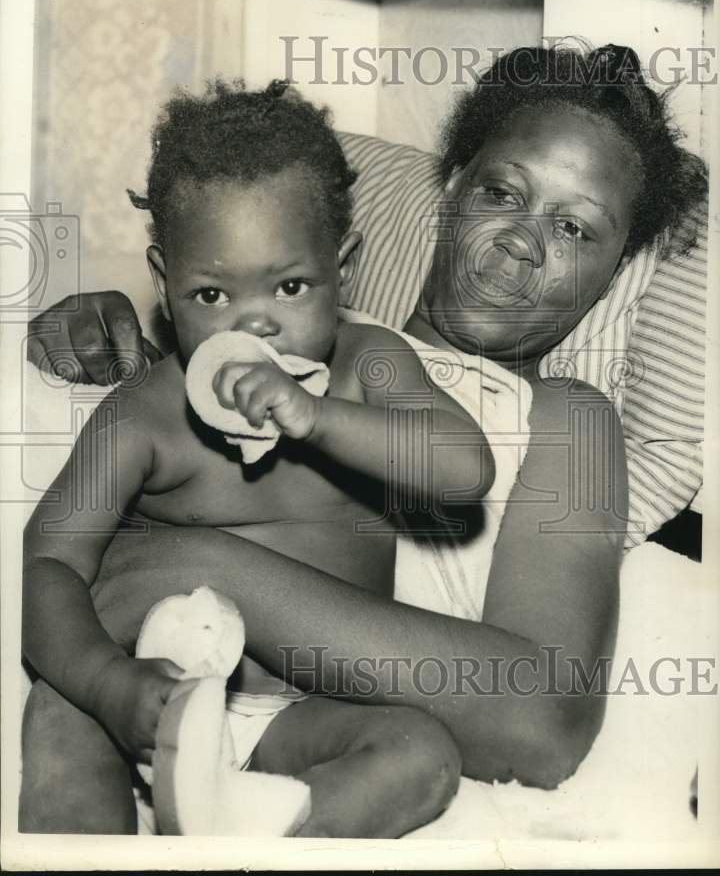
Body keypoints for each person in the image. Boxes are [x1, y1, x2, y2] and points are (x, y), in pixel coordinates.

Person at [24, 45, 706, 823]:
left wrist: (203, 563)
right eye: (500, 192)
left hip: (311, 732)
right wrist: (85, 339)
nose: (523, 240)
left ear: (614, 270)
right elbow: (161, 433)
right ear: (450, 189)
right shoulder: (300, 332)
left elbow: (540, 719)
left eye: (577, 229)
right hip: (120, 680)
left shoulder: (566, 419)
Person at [22, 79, 503, 836]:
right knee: (59, 713)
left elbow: (463, 470)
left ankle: (256, 837)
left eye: (289, 286)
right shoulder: (146, 412)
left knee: (421, 752)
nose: (255, 325)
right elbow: (49, 562)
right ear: (163, 282)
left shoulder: (370, 365)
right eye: (211, 296)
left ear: (342, 266)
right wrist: (107, 684)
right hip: (149, 690)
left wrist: (317, 418)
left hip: (303, 715)